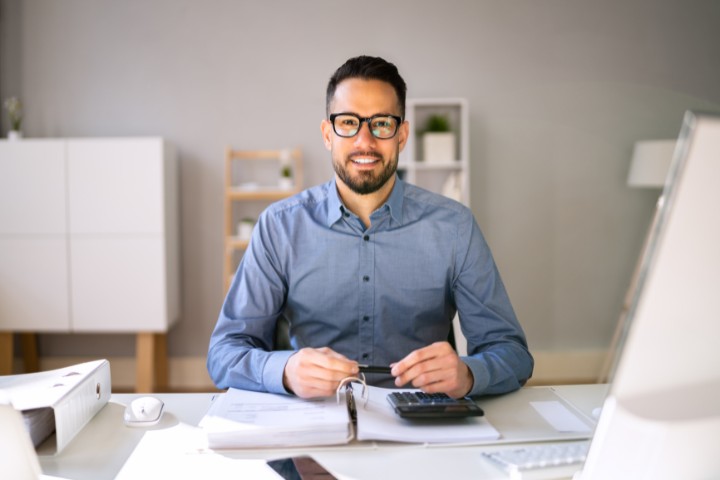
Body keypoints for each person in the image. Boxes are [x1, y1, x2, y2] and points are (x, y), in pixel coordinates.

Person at [207, 55, 533, 399]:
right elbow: (223, 355)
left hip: (423, 424)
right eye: (348, 122)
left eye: (381, 123)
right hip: (314, 419)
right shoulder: (279, 227)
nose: (365, 141)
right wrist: (285, 371)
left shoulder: (454, 227)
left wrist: (468, 374)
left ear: (402, 135)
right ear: (327, 134)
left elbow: (511, 352)